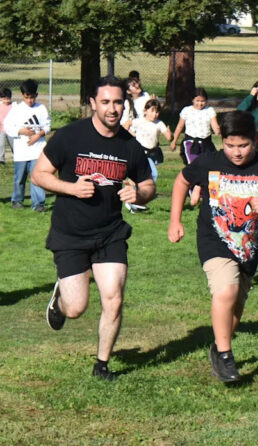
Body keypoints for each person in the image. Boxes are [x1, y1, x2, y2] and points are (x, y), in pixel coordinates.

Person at [30, 75, 155, 380]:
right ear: (92, 104)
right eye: (106, 102)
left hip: (110, 232)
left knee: (113, 296)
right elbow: (39, 174)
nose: (113, 109)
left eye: (118, 102)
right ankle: (61, 300)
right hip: (70, 233)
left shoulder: (130, 146)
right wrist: (71, 188)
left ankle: (102, 364)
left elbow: (149, 184)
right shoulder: (70, 136)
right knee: (76, 308)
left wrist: (139, 193)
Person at [168, 110, 258, 383]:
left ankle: (218, 347)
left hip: (249, 245)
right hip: (214, 239)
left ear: (255, 140)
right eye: (230, 145)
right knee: (227, 290)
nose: (236, 152)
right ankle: (225, 356)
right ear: (222, 140)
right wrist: (175, 220)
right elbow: (181, 181)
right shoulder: (209, 162)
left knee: (236, 304)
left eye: (243, 145)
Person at [3, 79, 50, 212]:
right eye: (27, 97)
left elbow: (47, 126)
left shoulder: (41, 108)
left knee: (37, 177)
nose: (30, 100)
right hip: (22, 151)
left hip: (38, 150)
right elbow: (7, 126)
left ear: (37, 95)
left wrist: (38, 135)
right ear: (22, 95)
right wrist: (21, 131)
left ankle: (38, 204)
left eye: (32, 97)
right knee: (20, 178)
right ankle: (17, 200)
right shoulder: (16, 109)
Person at [125, 99, 171, 213]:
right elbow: (126, 125)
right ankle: (139, 199)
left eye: (157, 112)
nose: (155, 114)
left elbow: (169, 137)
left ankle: (135, 201)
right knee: (152, 174)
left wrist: (170, 133)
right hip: (140, 152)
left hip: (151, 153)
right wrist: (132, 136)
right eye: (152, 111)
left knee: (142, 177)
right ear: (145, 111)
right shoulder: (139, 121)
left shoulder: (159, 123)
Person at [170, 87, 220, 165]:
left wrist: (218, 131)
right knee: (194, 166)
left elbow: (215, 125)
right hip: (191, 143)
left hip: (206, 142)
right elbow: (179, 127)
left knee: (212, 165)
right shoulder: (186, 110)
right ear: (193, 100)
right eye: (197, 101)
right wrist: (174, 141)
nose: (200, 104)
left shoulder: (209, 110)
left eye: (202, 101)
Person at [0, 87, 12, 165]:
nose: (7, 101)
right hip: (1, 129)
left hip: (11, 129)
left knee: (13, 144)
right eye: (4, 99)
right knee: (1, 144)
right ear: (1, 98)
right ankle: (1, 159)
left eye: (8, 99)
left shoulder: (13, 106)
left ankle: (17, 157)